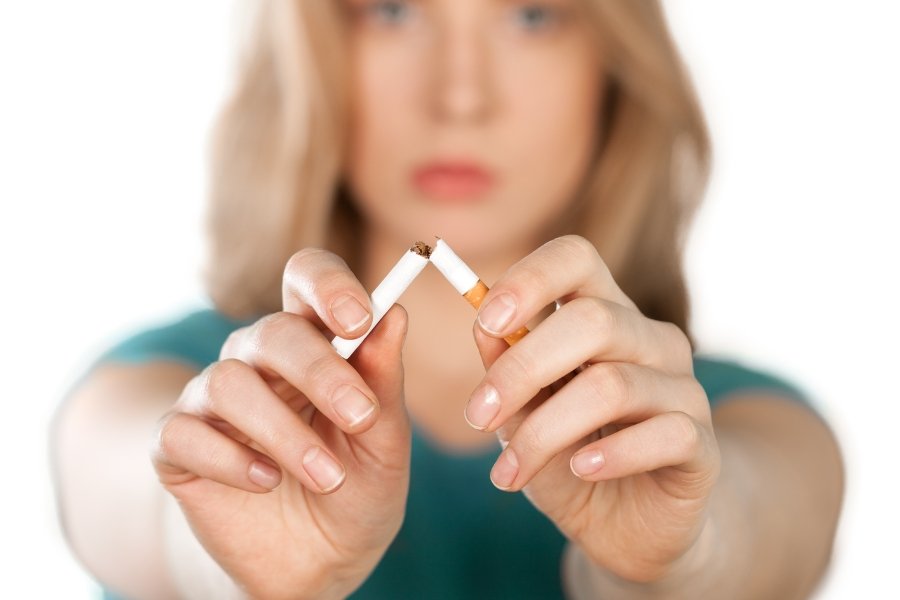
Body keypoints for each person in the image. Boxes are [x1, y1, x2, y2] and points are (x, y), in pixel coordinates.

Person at [50, 1, 844, 598]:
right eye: (393, 9)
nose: (461, 96)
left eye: (532, 15)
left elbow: (755, 531)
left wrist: (677, 551)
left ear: (612, 64)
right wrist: (229, 561)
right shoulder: (159, 394)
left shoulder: (756, 427)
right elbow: (140, 504)